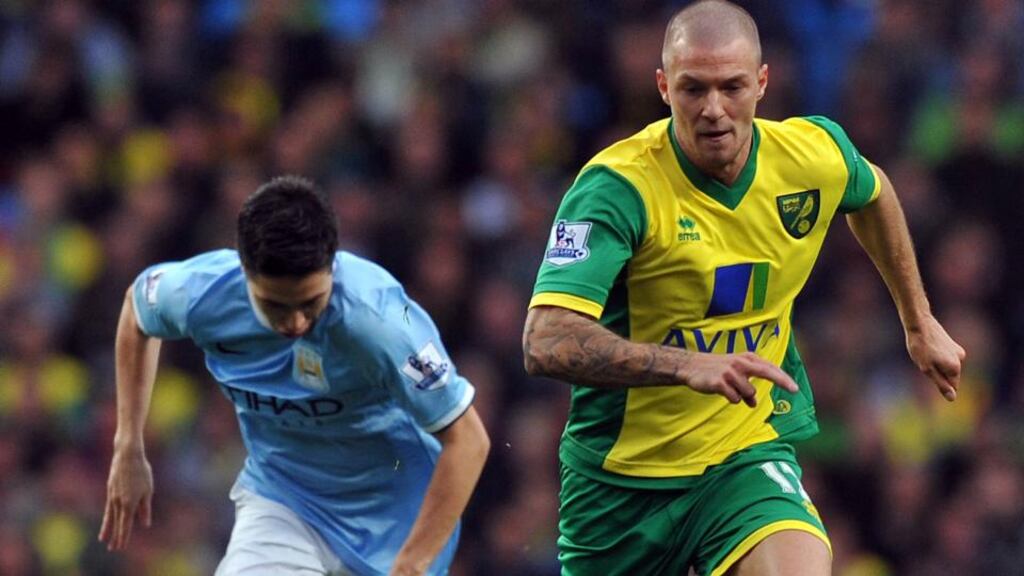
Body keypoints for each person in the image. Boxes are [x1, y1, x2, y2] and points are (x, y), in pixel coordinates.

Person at [522, 2, 965, 575]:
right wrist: (681, 365)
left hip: (743, 456)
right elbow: (543, 339)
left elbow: (874, 191)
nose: (713, 110)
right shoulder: (615, 188)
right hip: (620, 486)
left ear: (761, 83)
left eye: (732, 87)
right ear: (662, 87)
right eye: (692, 89)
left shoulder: (809, 156)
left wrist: (918, 319)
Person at [99, 176, 490, 576]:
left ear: (331, 265)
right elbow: (137, 311)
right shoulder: (204, 294)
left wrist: (413, 563)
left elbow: (469, 440)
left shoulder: (379, 322)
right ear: (245, 272)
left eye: (310, 302)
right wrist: (128, 445)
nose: (296, 322)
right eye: (275, 305)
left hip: (395, 524)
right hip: (285, 499)